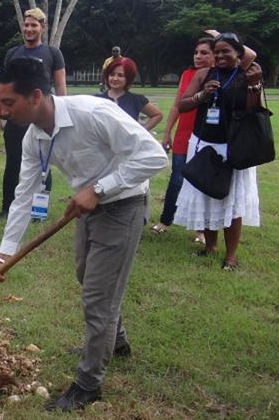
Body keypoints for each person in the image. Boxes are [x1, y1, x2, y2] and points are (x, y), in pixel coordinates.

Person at [0, 58, 167, 412]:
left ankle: (87, 386)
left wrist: (99, 189)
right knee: (88, 276)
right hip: (87, 206)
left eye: (8, 103)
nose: (2, 111)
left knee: (98, 297)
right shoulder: (34, 137)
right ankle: (116, 341)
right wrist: (3, 255)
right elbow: (24, 196)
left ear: (36, 95)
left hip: (124, 203)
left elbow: (154, 156)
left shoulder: (93, 112)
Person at [174, 32, 261, 270]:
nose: (221, 55)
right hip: (203, 144)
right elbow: (183, 105)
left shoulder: (245, 75)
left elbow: (253, 111)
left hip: (232, 146)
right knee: (206, 195)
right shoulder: (203, 74)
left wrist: (254, 85)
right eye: (218, 51)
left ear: (238, 54)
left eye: (227, 51)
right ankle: (210, 246)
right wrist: (202, 95)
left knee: (231, 203)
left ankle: (230, 256)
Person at [0, 8, 67, 218]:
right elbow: (4, 87)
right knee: (14, 162)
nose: (29, 29)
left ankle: (38, 211)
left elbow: (61, 87)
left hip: (43, 118)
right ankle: (8, 207)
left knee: (44, 164)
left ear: (42, 28)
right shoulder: (12, 53)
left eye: (34, 25)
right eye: (26, 25)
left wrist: (62, 114)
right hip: (16, 118)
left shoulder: (53, 54)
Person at [152, 38, 215, 239]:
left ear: (216, 55)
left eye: (204, 52)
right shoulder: (187, 74)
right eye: (196, 52)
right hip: (183, 136)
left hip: (207, 137)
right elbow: (177, 106)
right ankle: (165, 220)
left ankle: (200, 229)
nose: (198, 56)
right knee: (177, 179)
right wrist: (167, 131)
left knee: (203, 183)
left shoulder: (221, 76)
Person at [95, 57, 162, 129]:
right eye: (112, 74)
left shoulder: (136, 100)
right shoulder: (96, 99)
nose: (115, 78)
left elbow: (157, 115)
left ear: (128, 78)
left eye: (120, 75)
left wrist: (140, 132)